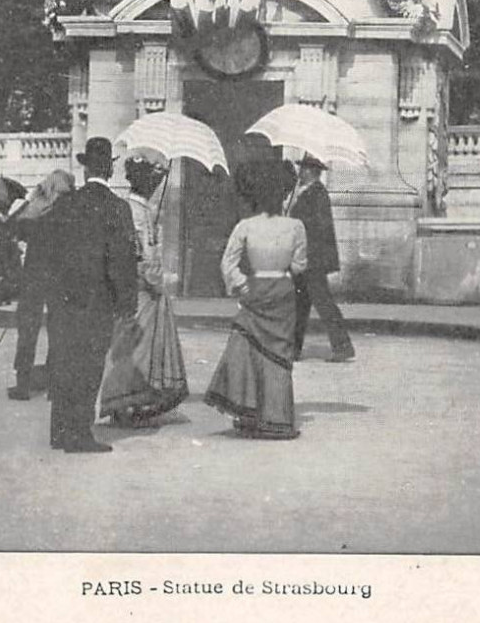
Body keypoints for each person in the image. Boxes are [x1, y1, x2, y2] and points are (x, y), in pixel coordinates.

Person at [204, 160, 307, 440]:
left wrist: (242, 285)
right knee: (279, 356)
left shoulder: (245, 226)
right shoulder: (296, 226)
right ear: (283, 194)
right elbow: (299, 266)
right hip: (283, 291)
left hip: (256, 287)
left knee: (251, 351)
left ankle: (250, 411)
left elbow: (228, 264)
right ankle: (277, 417)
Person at [48, 137, 138, 453]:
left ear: (86, 170)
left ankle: (59, 430)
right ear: (110, 170)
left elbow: (50, 252)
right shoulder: (118, 208)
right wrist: (128, 302)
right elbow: (122, 261)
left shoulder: (63, 204)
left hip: (62, 298)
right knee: (88, 365)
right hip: (96, 299)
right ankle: (79, 434)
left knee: (62, 360)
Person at [99, 157, 188, 426]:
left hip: (142, 286)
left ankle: (134, 399)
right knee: (135, 346)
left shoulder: (142, 209)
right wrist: (158, 281)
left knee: (139, 346)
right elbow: (142, 255)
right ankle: (123, 401)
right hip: (141, 287)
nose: (155, 186)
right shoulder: (135, 211)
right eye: (153, 182)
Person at [7, 169, 76, 401]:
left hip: (34, 276)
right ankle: (54, 386)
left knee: (27, 330)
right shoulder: (71, 211)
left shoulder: (34, 210)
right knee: (59, 331)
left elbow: (11, 226)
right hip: (61, 278)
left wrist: (29, 199)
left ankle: (23, 384)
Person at [289, 154, 355, 363]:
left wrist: (294, 220)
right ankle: (293, 348)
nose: (299, 172)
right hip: (306, 258)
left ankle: (343, 346)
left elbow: (317, 226)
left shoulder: (317, 193)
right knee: (300, 305)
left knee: (323, 303)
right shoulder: (305, 192)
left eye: (303, 169)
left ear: (310, 171)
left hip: (312, 259)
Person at [0, 202, 23, 307]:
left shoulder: (12, 221)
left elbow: (17, 234)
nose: (3, 212)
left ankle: (6, 296)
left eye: (4, 210)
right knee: (0, 272)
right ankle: (1, 296)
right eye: (1, 210)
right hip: (2, 249)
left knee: (9, 272)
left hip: (10, 249)